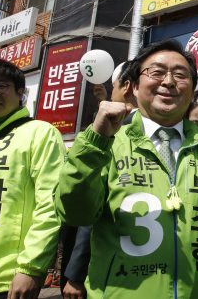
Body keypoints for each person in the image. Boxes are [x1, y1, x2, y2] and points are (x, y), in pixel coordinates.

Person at [54, 40, 198, 299]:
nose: (169, 82)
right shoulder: (106, 142)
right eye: (157, 72)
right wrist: (96, 142)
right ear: (135, 87)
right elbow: (75, 213)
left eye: (181, 75)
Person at [0, 59, 65, 299]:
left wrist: (31, 269)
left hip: (6, 283)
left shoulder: (40, 133)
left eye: (1, 86)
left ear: (21, 93)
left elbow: (50, 204)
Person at [61, 61, 139, 299]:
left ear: (126, 86)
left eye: (113, 86)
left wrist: (75, 273)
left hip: (109, 275)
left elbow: (90, 215)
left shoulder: (110, 134)